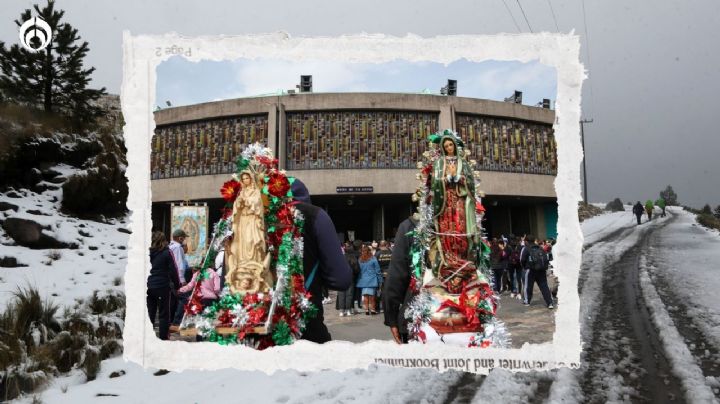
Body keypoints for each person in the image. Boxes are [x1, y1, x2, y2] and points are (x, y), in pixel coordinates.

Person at [290, 179, 352, 343]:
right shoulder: (315, 215)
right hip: (304, 325)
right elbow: (341, 279)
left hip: (250, 327)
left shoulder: (248, 217)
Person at [429, 135, 479, 294]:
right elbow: (435, 182)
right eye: (446, 146)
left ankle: (462, 261)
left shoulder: (462, 162)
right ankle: (449, 262)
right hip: (444, 202)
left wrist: (458, 177)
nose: (449, 148)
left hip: (459, 200)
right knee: (446, 231)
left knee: (460, 228)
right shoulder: (439, 163)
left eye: (451, 145)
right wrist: (446, 178)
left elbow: (470, 182)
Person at [226, 170, 271, 294]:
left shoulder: (255, 192)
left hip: (252, 221)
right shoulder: (241, 192)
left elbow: (257, 204)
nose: (245, 180)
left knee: (251, 241)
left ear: (251, 179)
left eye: (247, 178)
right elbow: (236, 207)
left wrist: (248, 202)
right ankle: (243, 264)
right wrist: (239, 203)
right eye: (243, 178)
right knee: (243, 243)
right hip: (243, 221)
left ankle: (255, 265)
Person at [383, 210, 419, 344]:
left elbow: (397, 276)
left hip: (418, 315)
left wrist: (391, 317)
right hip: (468, 315)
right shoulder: (470, 223)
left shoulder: (411, 226)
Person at [147, 231, 181, 340]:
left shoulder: (147, 253)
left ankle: (147, 337)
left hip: (148, 286)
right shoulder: (167, 252)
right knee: (163, 313)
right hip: (162, 286)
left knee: (150, 312)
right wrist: (177, 285)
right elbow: (173, 270)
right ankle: (163, 338)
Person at [520, 235, 554, 309]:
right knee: (544, 286)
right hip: (541, 270)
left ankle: (527, 301)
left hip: (530, 270)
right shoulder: (540, 248)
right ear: (534, 240)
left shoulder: (525, 248)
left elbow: (522, 260)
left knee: (528, 286)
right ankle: (550, 302)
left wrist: (524, 267)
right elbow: (545, 258)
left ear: (526, 241)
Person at [169, 228, 189, 331]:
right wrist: (182, 280)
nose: (184, 240)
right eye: (183, 238)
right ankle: (176, 322)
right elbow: (179, 265)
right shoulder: (177, 247)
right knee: (184, 298)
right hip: (177, 278)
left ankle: (171, 321)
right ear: (180, 238)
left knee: (173, 300)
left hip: (171, 277)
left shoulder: (170, 246)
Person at [356, 245, 382, 315]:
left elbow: (358, 270)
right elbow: (378, 270)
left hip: (363, 280)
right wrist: (380, 280)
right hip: (372, 279)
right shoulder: (373, 259)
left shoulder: (360, 260)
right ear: (369, 251)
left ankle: (367, 310)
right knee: (372, 296)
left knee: (365, 295)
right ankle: (373, 310)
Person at [336, 242, 359, 316]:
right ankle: (348, 310)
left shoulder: (340, 257)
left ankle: (341, 311)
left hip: (341, 277)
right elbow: (357, 269)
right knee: (349, 294)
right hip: (350, 277)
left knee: (341, 294)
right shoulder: (353, 258)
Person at [374, 240, 393, 313]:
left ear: (379, 245)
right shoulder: (391, 252)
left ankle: (378, 308)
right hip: (389, 274)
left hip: (380, 274)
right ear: (386, 245)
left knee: (378, 291)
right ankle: (387, 307)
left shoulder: (377, 253)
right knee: (388, 291)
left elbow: (375, 264)